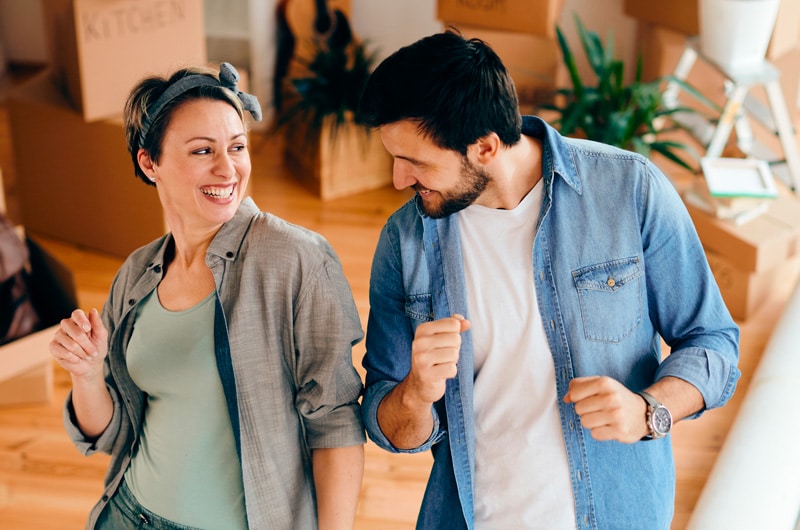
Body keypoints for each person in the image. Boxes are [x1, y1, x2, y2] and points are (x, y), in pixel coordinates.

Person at [358, 31, 740, 530]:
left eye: (416, 162)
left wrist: (650, 411)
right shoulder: (404, 242)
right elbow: (390, 428)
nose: (398, 179)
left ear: (486, 147)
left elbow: (714, 342)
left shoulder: (628, 190)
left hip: (616, 515)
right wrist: (415, 392)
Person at [49, 62, 365, 530]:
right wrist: (88, 374)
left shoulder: (296, 260)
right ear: (149, 163)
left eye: (237, 146)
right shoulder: (137, 274)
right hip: (128, 514)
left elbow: (335, 422)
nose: (228, 167)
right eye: (202, 150)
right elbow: (113, 435)